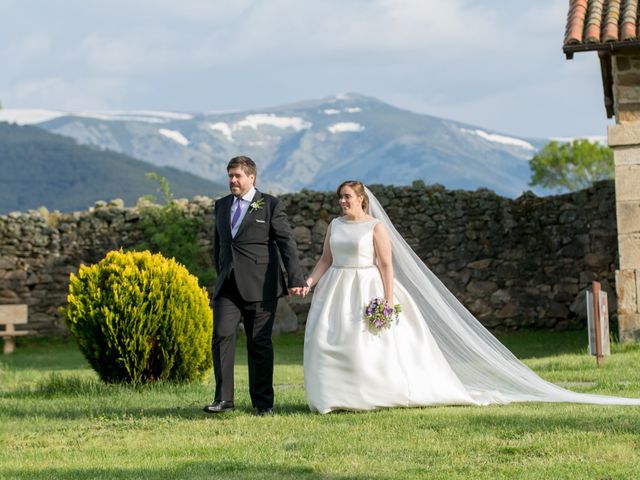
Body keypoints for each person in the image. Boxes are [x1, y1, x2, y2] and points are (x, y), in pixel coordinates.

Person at [303, 180, 640, 413]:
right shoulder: (335, 225)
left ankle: (373, 393)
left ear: (362, 198)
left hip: (369, 286)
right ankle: (334, 396)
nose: (343, 202)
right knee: (331, 341)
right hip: (337, 288)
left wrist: (388, 300)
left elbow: (387, 265)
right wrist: (311, 281)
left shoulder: (375, 228)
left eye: (347, 197)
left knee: (371, 344)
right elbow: (325, 259)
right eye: (340, 198)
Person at [204, 156, 306, 416]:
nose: (233, 181)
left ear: (251, 177)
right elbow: (219, 247)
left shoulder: (270, 205)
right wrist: (222, 273)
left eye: (237, 176)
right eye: (230, 176)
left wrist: (295, 278)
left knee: (259, 343)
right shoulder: (221, 206)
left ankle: (263, 403)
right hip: (227, 285)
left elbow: (286, 243)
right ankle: (224, 398)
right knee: (221, 336)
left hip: (261, 285)